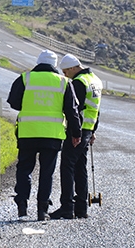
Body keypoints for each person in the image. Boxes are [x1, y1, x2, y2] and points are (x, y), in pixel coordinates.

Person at [6, 50, 82, 221]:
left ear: (38, 62)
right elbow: (72, 111)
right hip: (52, 135)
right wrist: (76, 133)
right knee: (47, 173)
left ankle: (22, 206)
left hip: (28, 133)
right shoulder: (64, 82)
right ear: (55, 65)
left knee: (25, 169)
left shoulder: (25, 78)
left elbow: (14, 102)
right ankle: (42, 211)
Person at [49, 53, 103, 219]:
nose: (65, 75)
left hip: (77, 130)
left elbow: (75, 110)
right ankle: (81, 208)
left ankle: (67, 207)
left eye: (66, 72)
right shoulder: (95, 80)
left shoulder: (79, 83)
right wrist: (93, 131)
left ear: (73, 68)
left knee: (67, 166)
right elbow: (96, 109)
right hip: (87, 129)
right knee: (81, 168)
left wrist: (74, 133)